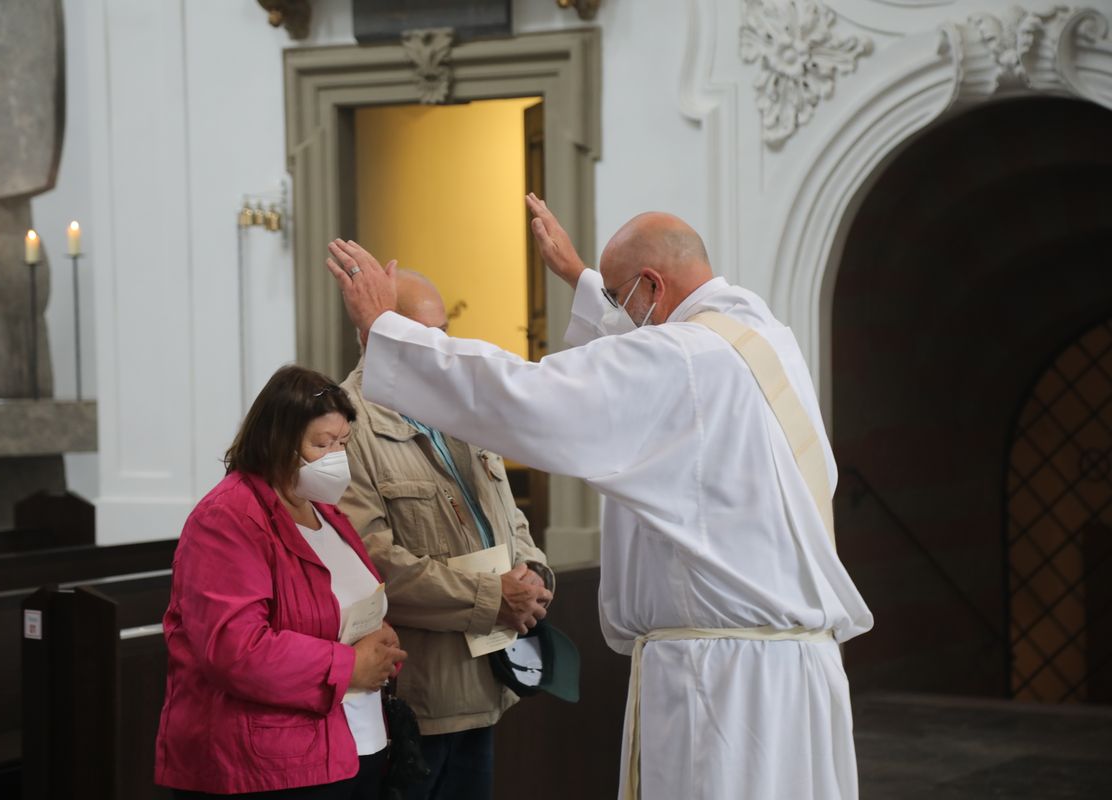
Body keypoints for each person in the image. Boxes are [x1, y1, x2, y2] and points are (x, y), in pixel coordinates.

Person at [322, 195, 874, 800]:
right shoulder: (760, 340)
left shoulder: (684, 359)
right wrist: (586, 284)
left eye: (619, 298)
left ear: (652, 286)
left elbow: (530, 395)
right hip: (792, 674)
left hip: (723, 687)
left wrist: (387, 330)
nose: (617, 315)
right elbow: (642, 355)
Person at [337, 269, 554, 800]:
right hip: (417, 696)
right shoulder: (346, 422)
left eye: (443, 332)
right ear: (374, 335)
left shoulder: (459, 406)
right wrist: (492, 597)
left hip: (485, 681)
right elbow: (374, 563)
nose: (441, 349)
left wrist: (535, 574)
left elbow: (508, 513)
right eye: (423, 334)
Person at [155, 365, 407, 798]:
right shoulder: (227, 518)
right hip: (268, 767)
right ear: (278, 440)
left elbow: (343, 607)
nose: (335, 456)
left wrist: (378, 641)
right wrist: (350, 667)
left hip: (353, 745)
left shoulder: (326, 512)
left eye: (343, 443)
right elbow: (236, 649)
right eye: (321, 443)